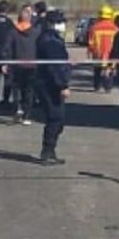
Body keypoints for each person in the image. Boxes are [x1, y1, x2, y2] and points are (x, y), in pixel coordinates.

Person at [36, 9, 72, 165]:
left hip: (48, 82)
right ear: (51, 23)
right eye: (59, 22)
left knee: (58, 118)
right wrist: (62, 85)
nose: (62, 25)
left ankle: (50, 150)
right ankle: (46, 152)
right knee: (55, 117)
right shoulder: (50, 40)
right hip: (49, 84)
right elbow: (53, 67)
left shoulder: (52, 38)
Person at [2, 4, 40, 126]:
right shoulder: (36, 33)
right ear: (30, 18)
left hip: (16, 65)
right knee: (29, 91)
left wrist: (5, 62)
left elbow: (7, 48)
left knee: (16, 89)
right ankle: (27, 116)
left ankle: (18, 108)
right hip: (32, 66)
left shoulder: (13, 32)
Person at [87, 5, 119, 92]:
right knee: (109, 71)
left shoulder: (94, 28)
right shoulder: (115, 29)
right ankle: (108, 87)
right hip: (111, 54)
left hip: (98, 54)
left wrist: (90, 52)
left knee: (97, 71)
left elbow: (91, 42)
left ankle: (97, 86)